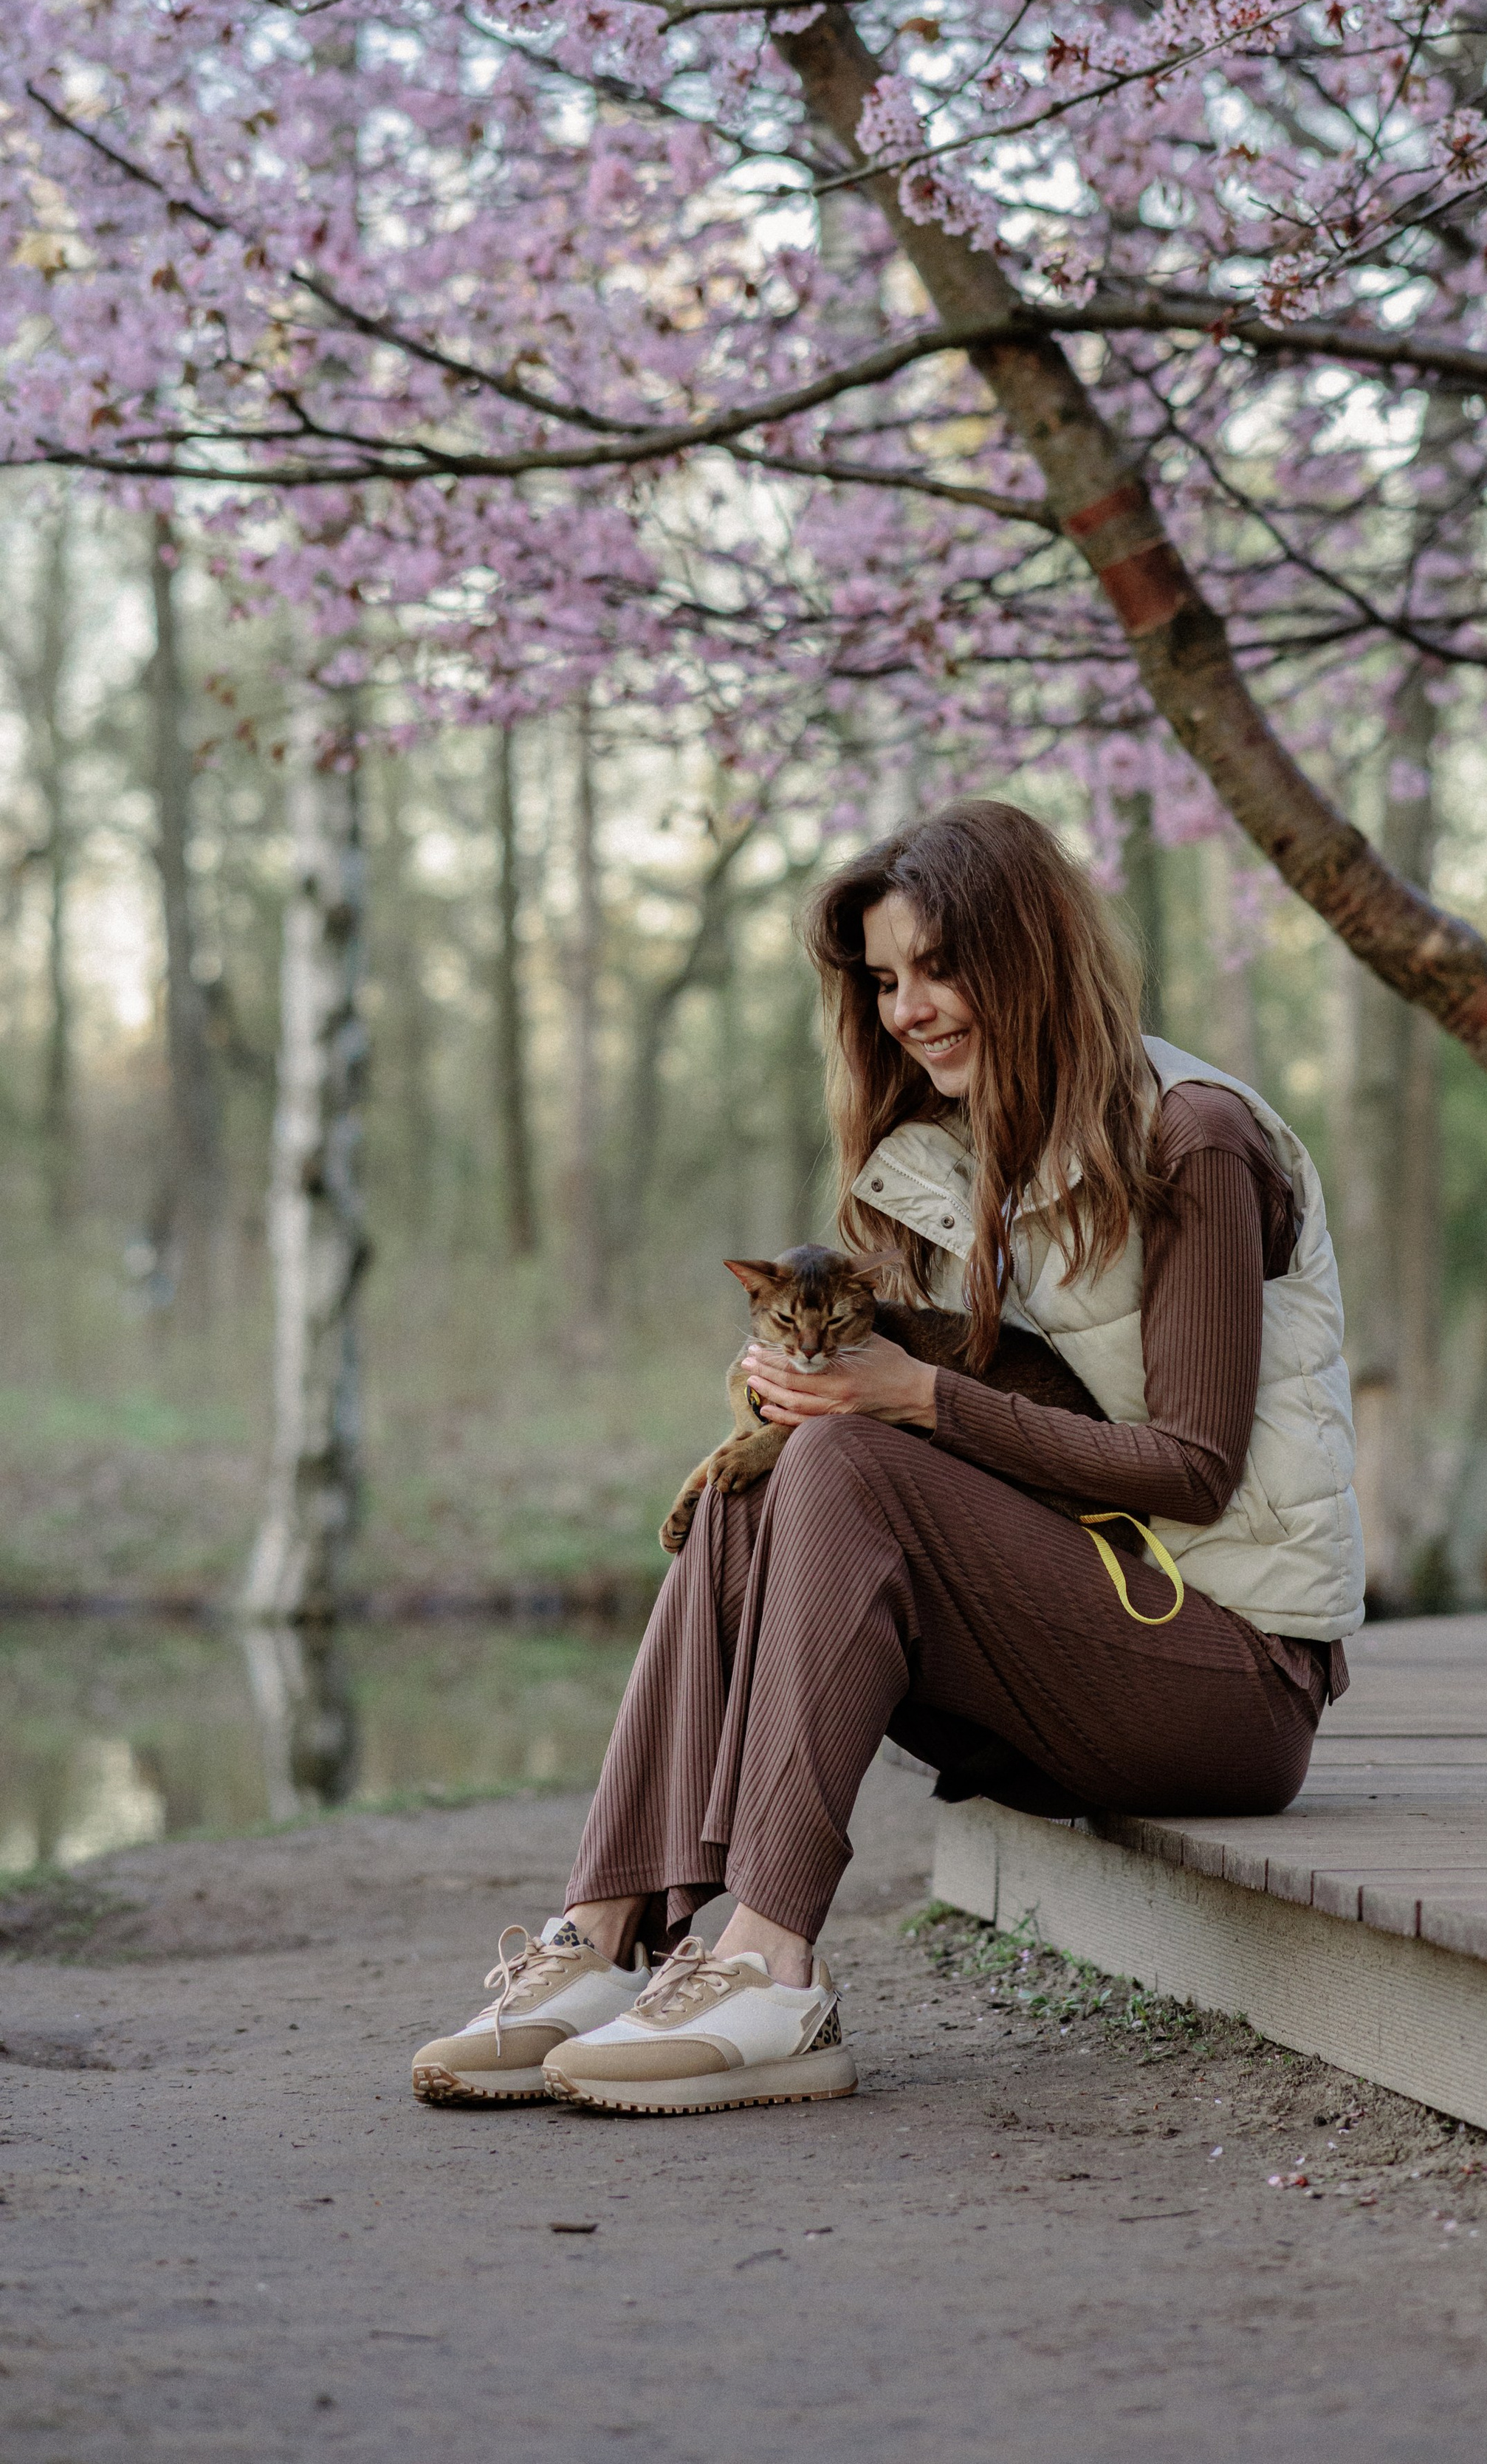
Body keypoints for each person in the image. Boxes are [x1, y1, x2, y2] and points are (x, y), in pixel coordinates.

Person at [411, 799, 1364, 2118]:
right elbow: (913, 1420)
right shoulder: (940, 1167)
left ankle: (769, 1963)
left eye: (939, 966)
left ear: (1030, 953)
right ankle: (602, 1933)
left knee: (849, 1460)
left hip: (1226, 1673)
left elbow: (1195, 1469)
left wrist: (910, 1397)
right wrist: (795, 1398)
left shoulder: (1189, 1138)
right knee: (770, 1481)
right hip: (1072, 1636)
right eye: (884, 981)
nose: (908, 1009)